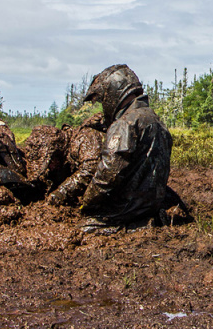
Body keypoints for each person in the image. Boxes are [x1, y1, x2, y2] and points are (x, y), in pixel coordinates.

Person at [48, 64, 178, 227]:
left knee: (76, 228)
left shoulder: (125, 123)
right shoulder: (155, 119)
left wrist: (85, 204)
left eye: (102, 100)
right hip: (149, 206)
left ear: (114, 93)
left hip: (124, 211)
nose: (103, 106)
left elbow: (107, 175)